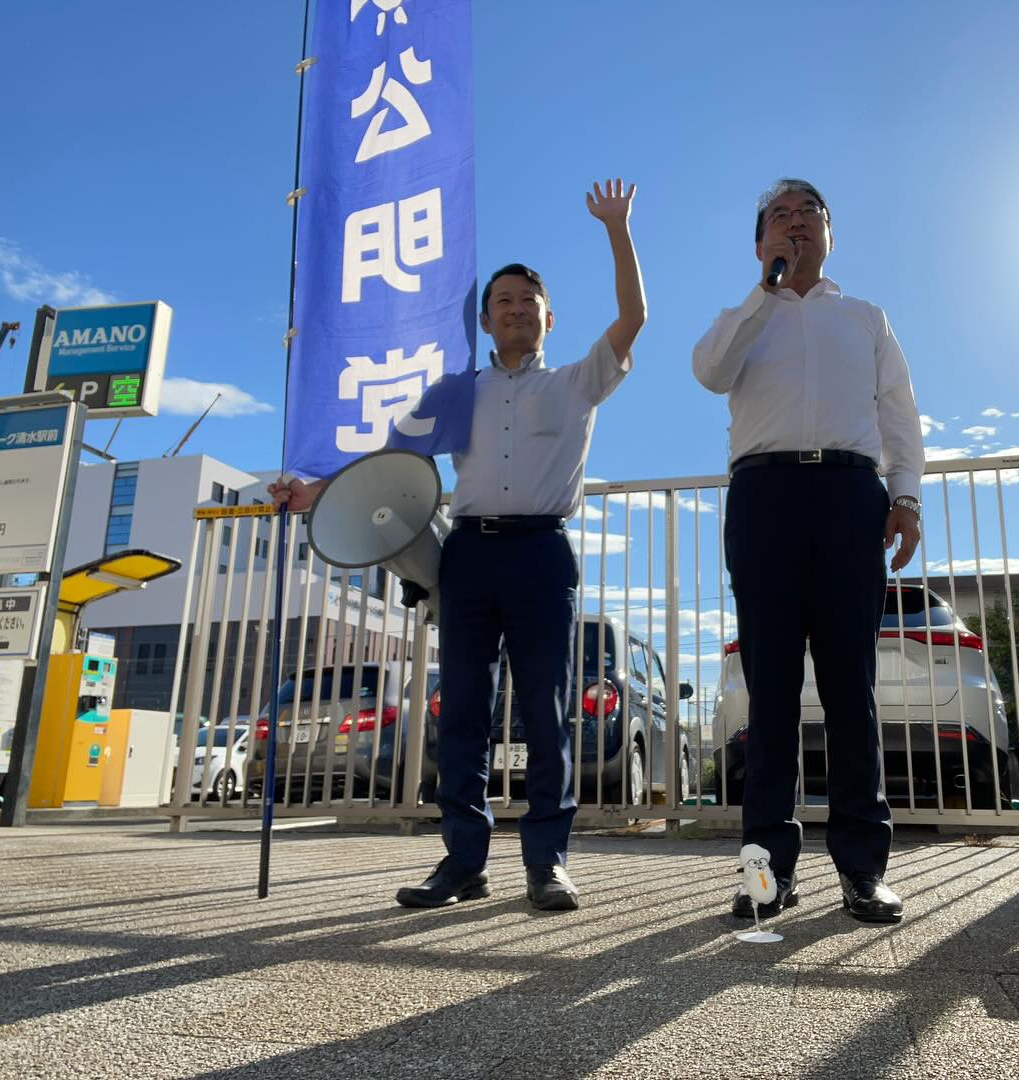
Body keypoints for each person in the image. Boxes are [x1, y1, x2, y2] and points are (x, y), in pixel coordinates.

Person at [272, 179, 644, 912]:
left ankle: (547, 863)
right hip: (469, 556)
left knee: (546, 710)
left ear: (548, 317)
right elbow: (388, 465)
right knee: (464, 708)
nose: (516, 309)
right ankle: (463, 862)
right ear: (485, 318)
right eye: (503, 301)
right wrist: (314, 492)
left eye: (528, 301)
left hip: (542, 556)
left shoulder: (576, 384)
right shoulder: (455, 391)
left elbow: (634, 318)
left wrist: (616, 227)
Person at [692, 179, 923, 924]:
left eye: (808, 214)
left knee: (852, 686)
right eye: (780, 217)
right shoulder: (742, 316)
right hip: (764, 496)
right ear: (760, 241)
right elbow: (709, 372)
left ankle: (863, 868)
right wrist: (764, 293)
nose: (795, 224)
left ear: (829, 233)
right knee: (772, 691)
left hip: (851, 495)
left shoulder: (865, 318)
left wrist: (906, 497)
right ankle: (767, 873)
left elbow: (899, 414)